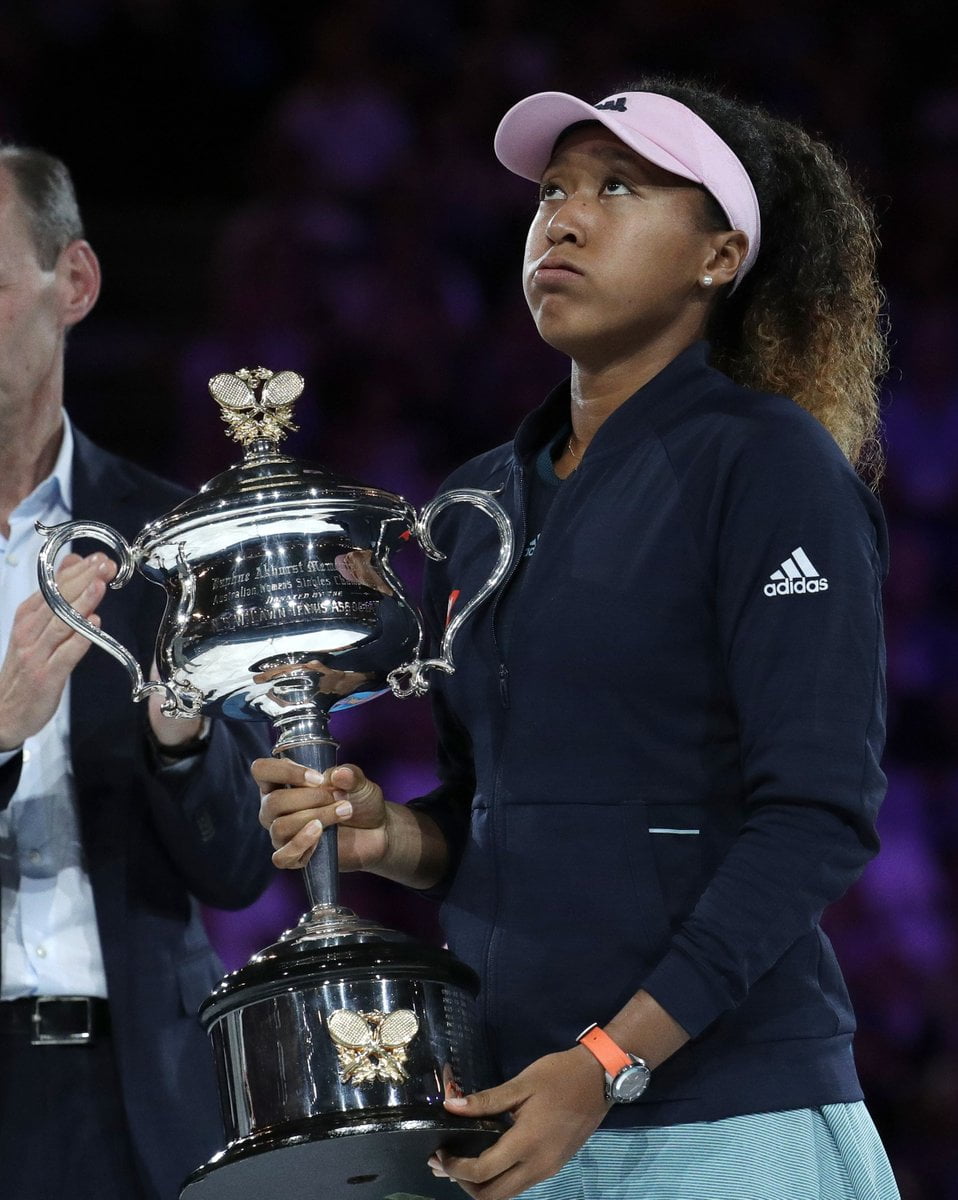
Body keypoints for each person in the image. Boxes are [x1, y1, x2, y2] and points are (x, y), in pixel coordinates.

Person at [255, 77, 900, 1200]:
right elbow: (491, 811)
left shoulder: (770, 465)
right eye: (551, 189)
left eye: (619, 186)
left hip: (720, 1106)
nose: (564, 214)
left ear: (718, 255)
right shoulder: (476, 505)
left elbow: (815, 816)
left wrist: (609, 1061)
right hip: (517, 1109)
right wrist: (387, 837)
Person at [0, 144, 273, 1200]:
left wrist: (184, 738)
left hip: (143, 1105)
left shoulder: (171, 546)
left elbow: (240, 866)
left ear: (73, 284)